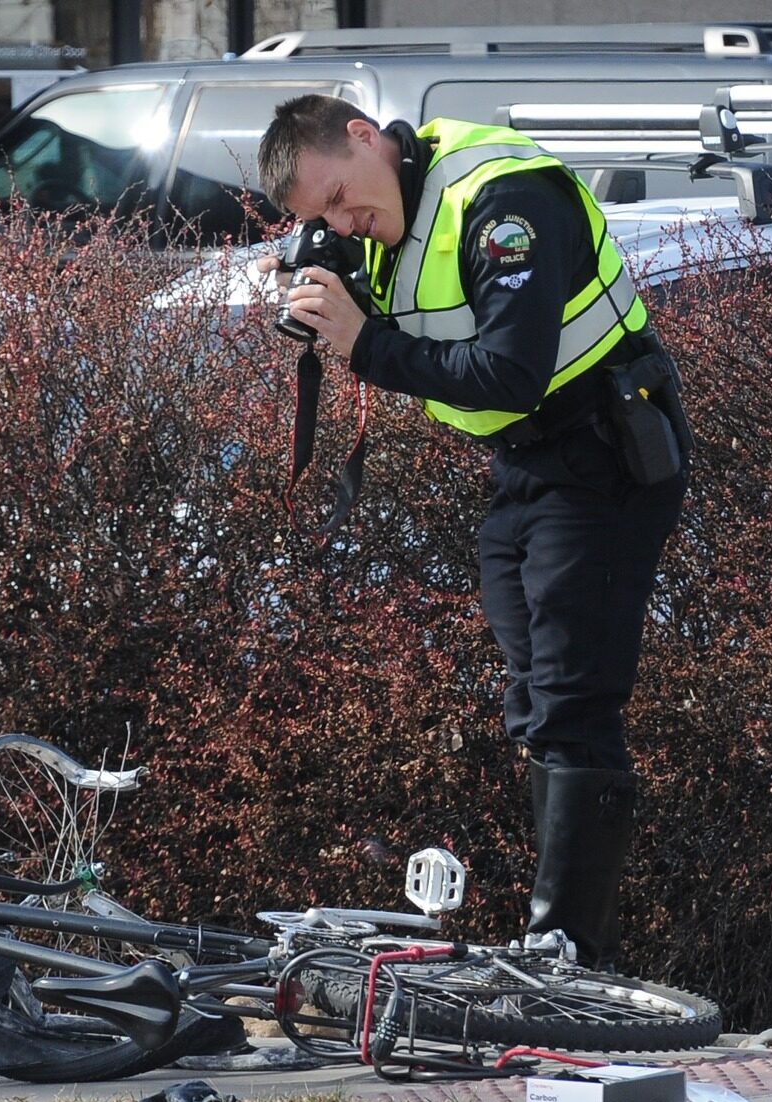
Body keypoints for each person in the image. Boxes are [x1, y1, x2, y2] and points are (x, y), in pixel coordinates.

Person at [256, 94, 688, 970]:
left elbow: (511, 371)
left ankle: (568, 948)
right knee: (534, 700)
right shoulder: (381, 221)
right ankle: (558, 942)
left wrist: (363, 342)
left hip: (603, 450)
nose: (346, 222)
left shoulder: (501, 200)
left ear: (364, 136)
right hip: (526, 470)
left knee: (573, 698)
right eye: (322, 218)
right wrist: (328, 280)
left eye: (342, 197)